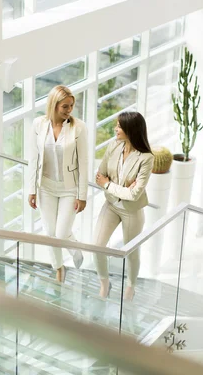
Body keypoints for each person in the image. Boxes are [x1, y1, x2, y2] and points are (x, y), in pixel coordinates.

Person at [28, 85, 89, 283]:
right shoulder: (38, 124)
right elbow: (33, 159)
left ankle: (75, 249)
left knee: (61, 233)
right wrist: (31, 190)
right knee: (50, 233)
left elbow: (84, 163)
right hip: (45, 187)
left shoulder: (78, 127)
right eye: (65, 106)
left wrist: (82, 195)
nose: (69, 110)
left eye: (71, 106)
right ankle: (59, 268)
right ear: (54, 105)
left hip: (69, 189)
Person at [94, 111, 154, 301]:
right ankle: (104, 282)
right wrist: (121, 188)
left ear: (130, 129)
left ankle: (131, 286)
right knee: (97, 247)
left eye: (119, 126)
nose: (115, 129)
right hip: (111, 205)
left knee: (131, 252)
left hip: (132, 211)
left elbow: (134, 194)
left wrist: (109, 184)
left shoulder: (146, 158)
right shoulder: (113, 146)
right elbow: (99, 175)